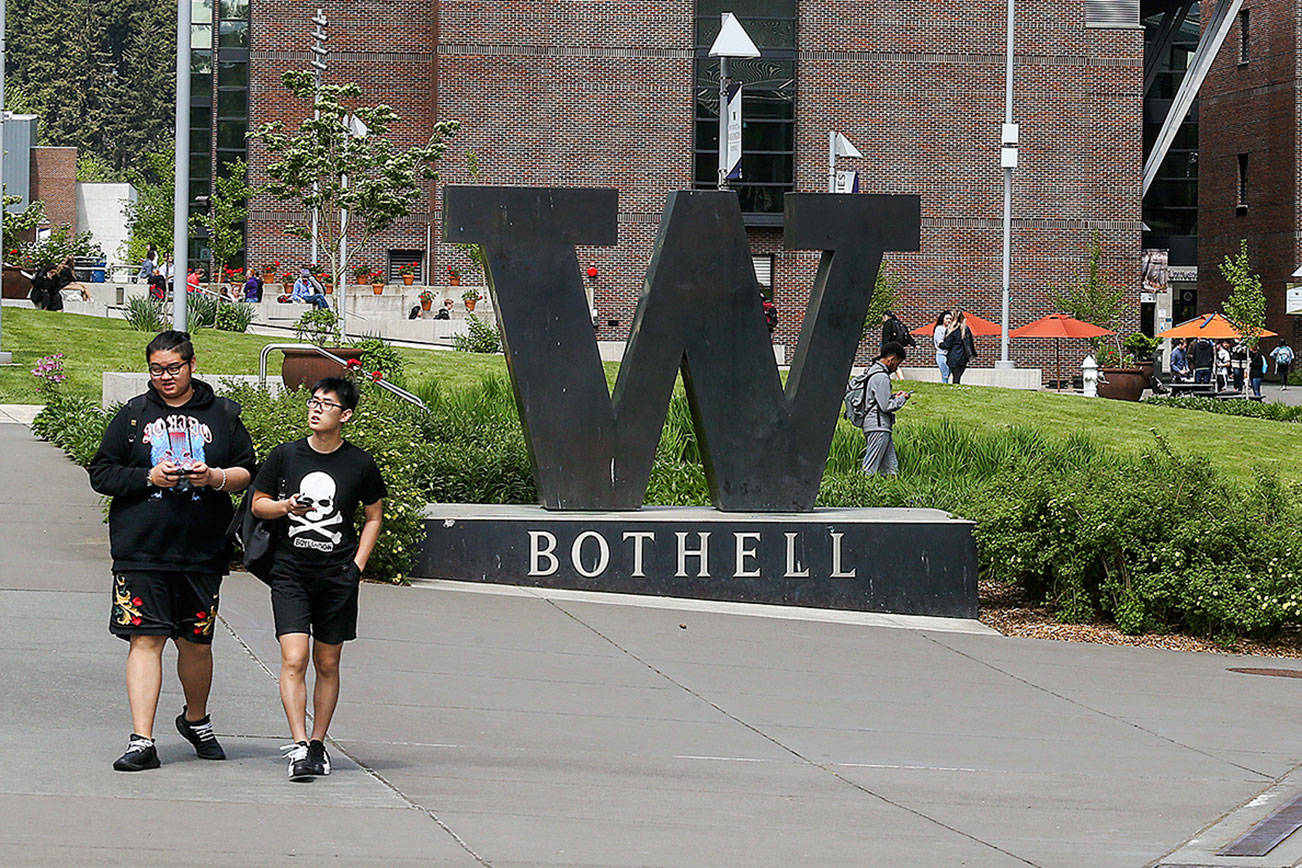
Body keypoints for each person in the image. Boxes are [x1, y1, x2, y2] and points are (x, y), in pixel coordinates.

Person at [87, 330, 258, 772]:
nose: (164, 377)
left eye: (173, 368)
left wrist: (215, 477)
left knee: (196, 642)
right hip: (141, 549)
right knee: (145, 639)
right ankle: (142, 739)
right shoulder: (133, 415)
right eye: (156, 369)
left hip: (201, 550)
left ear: (192, 366)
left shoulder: (222, 414)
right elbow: (102, 472)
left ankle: (196, 720)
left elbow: (248, 471)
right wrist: (149, 478)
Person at [250, 377, 386, 781]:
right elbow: (258, 505)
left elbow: (373, 516)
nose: (315, 408)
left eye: (326, 404)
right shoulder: (285, 457)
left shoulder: (359, 463)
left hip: (337, 575)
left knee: (327, 662)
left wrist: (357, 566)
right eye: (313, 401)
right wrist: (284, 506)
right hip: (290, 571)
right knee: (294, 658)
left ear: (344, 415)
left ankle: (318, 742)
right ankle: (298, 745)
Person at [853, 342, 911, 475]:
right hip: (878, 426)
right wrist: (902, 399)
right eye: (898, 363)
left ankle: (893, 492)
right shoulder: (881, 377)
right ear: (891, 359)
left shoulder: (872, 373)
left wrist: (893, 396)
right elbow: (885, 406)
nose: (897, 367)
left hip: (875, 424)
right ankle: (859, 490)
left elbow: (877, 399)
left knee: (891, 467)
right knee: (870, 466)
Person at [940, 312, 977, 384]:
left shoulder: (952, 330)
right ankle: (956, 387)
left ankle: (955, 388)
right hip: (963, 357)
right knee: (958, 376)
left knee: (955, 376)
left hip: (953, 357)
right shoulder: (966, 329)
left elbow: (947, 345)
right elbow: (970, 343)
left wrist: (940, 344)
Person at [932, 310, 953, 383]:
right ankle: (944, 385)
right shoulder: (939, 328)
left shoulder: (951, 329)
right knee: (945, 373)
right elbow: (939, 342)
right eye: (947, 318)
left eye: (950, 319)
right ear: (942, 319)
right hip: (941, 354)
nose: (948, 320)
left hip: (949, 354)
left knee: (948, 372)